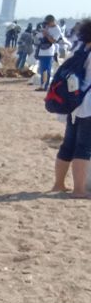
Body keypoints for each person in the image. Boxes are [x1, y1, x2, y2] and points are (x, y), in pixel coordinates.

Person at [51, 20, 91, 198]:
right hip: (88, 104)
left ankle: (58, 184)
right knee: (84, 147)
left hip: (73, 103)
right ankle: (79, 190)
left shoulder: (80, 48)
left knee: (68, 144)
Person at [37, 16, 62, 91]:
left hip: (49, 51)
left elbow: (54, 41)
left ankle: (46, 86)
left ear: (53, 21)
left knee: (47, 69)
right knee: (42, 70)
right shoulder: (46, 27)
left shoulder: (57, 29)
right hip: (42, 50)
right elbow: (40, 36)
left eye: (48, 23)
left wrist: (47, 34)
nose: (47, 24)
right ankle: (42, 85)